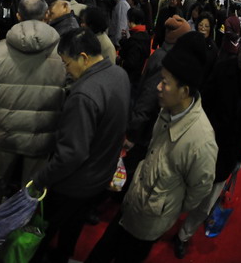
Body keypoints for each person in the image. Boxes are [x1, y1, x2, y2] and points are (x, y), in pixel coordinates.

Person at [87, 32, 218, 263]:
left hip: (151, 219)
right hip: (133, 201)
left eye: (165, 82)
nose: (158, 86)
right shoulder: (167, 110)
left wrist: (167, 205)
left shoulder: (201, 141)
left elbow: (199, 189)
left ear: (184, 91)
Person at [28, 28, 129, 263]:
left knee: (41, 233)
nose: (66, 70)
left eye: (66, 63)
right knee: (71, 230)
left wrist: (40, 179)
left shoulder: (84, 94)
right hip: (100, 176)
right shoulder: (119, 74)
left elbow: (71, 154)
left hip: (73, 184)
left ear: (83, 57)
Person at [174, 25, 241, 258]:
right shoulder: (223, 67)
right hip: (206, 142)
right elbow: (203, 101)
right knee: (185, 187)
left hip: (229, 151)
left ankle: (183, 235)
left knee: (207, 203)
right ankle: (164, 222)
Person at [0, 0, 66, 216]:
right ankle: (23, 223)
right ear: (47, 15)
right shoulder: (62, 51)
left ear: (18, 15)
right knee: (32, 186)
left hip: (6, 130)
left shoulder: (0, 50)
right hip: (43, 132)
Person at [124, 15, 192, 182]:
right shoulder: (165, 59)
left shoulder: (164, 54)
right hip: (144, 130)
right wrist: (133, 134)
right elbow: (148, 97)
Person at [118, 7, 150, 87]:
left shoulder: (135, 39)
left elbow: (130, 63)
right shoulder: (145, 35)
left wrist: (120, 60)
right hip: (138, 76)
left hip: (131, 79)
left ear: (131, 21)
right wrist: (125, 41)